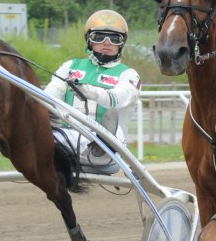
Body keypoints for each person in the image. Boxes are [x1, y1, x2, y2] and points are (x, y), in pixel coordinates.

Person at [44, 9, 142, 173]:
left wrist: (91, 92)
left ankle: (102, 144)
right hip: (66, 138)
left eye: (114, 39)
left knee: (111, 125)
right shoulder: (70, 66)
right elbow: (50, 94)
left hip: (111, 149)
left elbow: (118, 97)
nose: (106, 43)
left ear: (122, 43)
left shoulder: (129, 74)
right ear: (89, 41)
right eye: (99, 37)